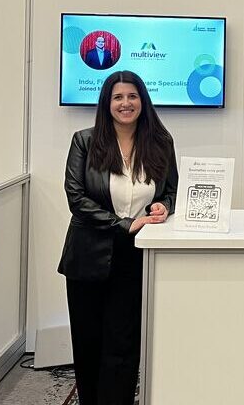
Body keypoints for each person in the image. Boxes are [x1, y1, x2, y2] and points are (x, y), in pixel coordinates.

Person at [59, 70, 178, 405]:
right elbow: (76, 197)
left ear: (143, 100)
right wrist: (122, 224)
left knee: (124, 344)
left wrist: (162, 208)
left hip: (134, 257)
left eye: (132, 96)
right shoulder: (84, 140)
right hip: (88, 257)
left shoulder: (161, 142)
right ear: (107, 103)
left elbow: (171, 191)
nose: (126, 103)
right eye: (118, 97)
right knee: (88, 342)